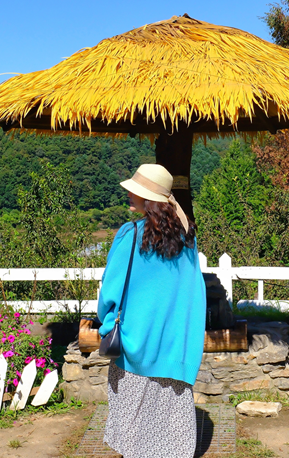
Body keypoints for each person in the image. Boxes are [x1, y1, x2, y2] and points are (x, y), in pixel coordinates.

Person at [97, 163, 207, 458]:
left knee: (135, 434)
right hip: (175, 349)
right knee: (171, 436)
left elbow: (110, 291)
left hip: (134, 346)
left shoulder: (130, 234)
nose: (129, 193)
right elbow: (195, 295)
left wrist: (107, 324)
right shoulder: (187, 239)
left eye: (136, 190)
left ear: (149, 199)